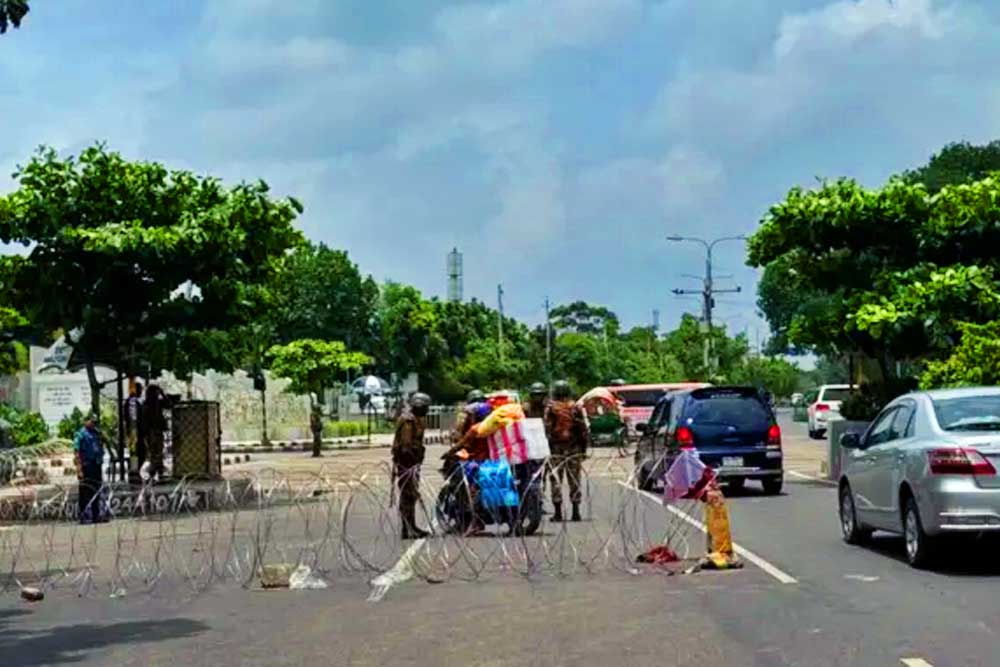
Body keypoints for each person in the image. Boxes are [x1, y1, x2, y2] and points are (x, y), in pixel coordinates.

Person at [544, 380, 589, 522]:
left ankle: (558, 512)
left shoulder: (551, 408)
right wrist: (583, 449)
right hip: (573, 448)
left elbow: (547, 429)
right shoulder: (575, 407)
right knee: (574, 479)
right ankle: (576, 511)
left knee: (556, 479)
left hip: (556, 448)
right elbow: (583, 430)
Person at [392, 392, 432, 539]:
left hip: (412, 463)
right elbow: (406, 445)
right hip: (407, 462)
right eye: (426, 407)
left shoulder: (416, 419)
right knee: (408, 495)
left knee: (411, 495)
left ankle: (411, 525)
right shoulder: (409, 421)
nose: (427, 410)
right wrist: (411, 463)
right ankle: (407, 527)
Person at [74, 414, 106, 524]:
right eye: (92, 422)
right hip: (86, 466)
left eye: (95, 422)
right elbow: (76, 452)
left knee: (96, 490)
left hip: (96, 465)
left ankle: (96, 515)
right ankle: (83, 515)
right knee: (84, 491)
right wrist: (79, 469)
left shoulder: (96, 433)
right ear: (86, 421)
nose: (93, 424)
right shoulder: (81, 434)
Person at [142, 384, 168, 480]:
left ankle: (158, 472)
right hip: (151, 431)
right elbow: (144, 420)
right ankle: (154, 473)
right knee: (154, 452)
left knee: (159, 451)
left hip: (157, 430)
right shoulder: (147, 404)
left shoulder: (158, 403)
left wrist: (162, 393)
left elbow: (168, 405)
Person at [125, 381, 145, 483]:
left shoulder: (135, 401)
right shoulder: (132, 402)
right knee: (135, 453)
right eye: (140, 389)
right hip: (134, 433)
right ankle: (133, 474)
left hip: (136, 432)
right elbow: (133, 419)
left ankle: (135, 472)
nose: (141, 391)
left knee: (139, 453)